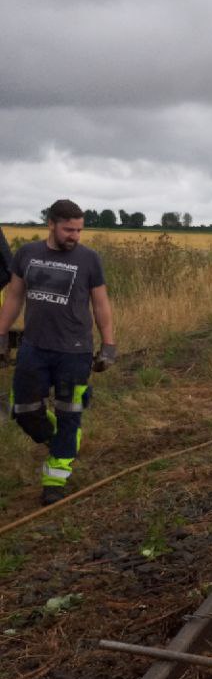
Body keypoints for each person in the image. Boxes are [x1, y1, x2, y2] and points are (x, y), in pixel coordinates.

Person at [0, 200, 117, 505]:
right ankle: (60, 437)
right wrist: (1, 332)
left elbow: (101, 304)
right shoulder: (27, 254)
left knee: (70, 412)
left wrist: (108, 345)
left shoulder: (89, 259)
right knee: (23, 409)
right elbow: (14, 296)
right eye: (68, 229)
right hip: (34, 347)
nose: (75, 236)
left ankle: (55, 478)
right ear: (50, 224)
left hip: (75, 351)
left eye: (79, 230)